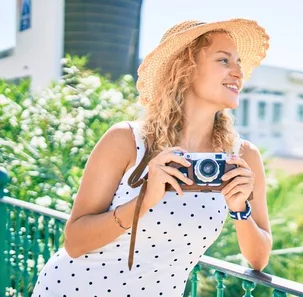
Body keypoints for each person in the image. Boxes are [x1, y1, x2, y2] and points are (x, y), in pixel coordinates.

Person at [32, 18, 272, 296]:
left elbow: (259, 259)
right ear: (186, 69)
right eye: (223, 60)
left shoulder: (242, 157)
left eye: (239, 62)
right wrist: (144, 200)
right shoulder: (127, 140)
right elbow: (75, 242)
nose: (238, 72)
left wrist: (240, 208)